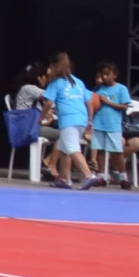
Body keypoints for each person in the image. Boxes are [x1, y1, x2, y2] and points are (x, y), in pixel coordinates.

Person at [42, 52, 94, 190]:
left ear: (54, 66)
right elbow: (89, 102)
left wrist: (41, 117)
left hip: (68, 119)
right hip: (82, 119)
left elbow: (48, 103)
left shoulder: (56, 82)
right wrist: (90, 120)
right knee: (65, 149)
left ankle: (89, 175)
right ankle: (65, 179)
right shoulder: (78, 82)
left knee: (72, 148)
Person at [89, 63, 135, 188]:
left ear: (115, 75)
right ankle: (101, 177)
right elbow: (93, 104)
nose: (104, 77)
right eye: (103, 74)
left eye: (107, 74)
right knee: (101, 151)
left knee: (117, 152)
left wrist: (108, 103)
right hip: (99, 124)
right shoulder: (98, 89)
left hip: (113, 125)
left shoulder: (121, 89)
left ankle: (123, 178)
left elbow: (125, 107)